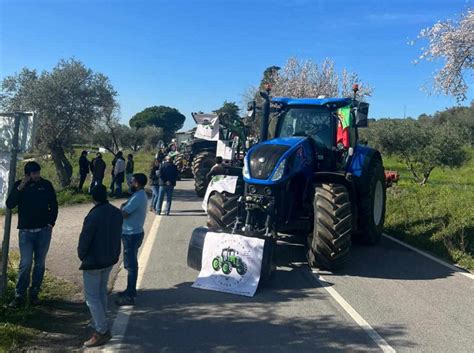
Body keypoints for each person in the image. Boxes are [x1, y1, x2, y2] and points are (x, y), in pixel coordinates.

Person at [6, 161, 58, 308]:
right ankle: (19, 295)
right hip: (26, 232)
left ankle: (34, 293)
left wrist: (51, 223)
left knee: (40, 264)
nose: (37, 175)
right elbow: (10, 204)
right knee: (25, 263)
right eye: (34, 173)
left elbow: (54, 204)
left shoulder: (46, 185)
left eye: (38, 172)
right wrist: (21, 187)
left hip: (43, 230)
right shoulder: (20, 185)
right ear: (27, 174)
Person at [77, 185, 122, 348]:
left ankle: (101, 330)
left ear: (93, 198)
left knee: (92, 298)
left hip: (94, 261)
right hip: (109, 259)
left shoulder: (93, 215)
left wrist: (82, 255)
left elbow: (85, 240)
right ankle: (100, 322)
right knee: (101, 293)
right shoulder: (116, 212)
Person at [115, 173, 148, 306]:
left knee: (131, 265)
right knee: (130, 264)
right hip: (133, 232)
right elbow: (124, 206)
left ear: (138, 183)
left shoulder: (138, 197)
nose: (130, 184)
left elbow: (124, 213)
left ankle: (130, 295)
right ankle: (129, 290)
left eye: (132, 182)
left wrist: (122, 208)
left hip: (131, 234)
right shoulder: (138, 195)